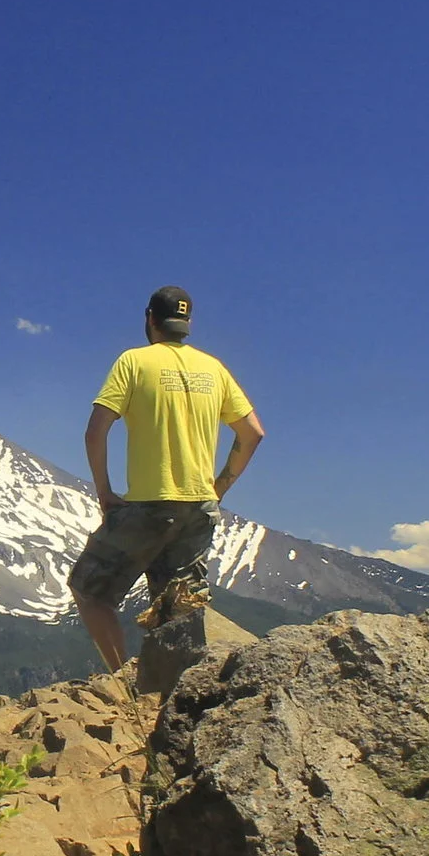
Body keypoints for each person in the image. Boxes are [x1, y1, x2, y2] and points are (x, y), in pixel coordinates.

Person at [68, 285, 264, 670]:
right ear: (186, 324)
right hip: (199, 507)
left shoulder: (134, 362)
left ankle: (123, 681)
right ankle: (181, 699)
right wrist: (220, 486)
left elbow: (96, 430)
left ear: (150, 319)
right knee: (180, 612)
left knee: (90, 590)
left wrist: (105, 492)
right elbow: (253, 432)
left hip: (149, 504)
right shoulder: (214, 368)